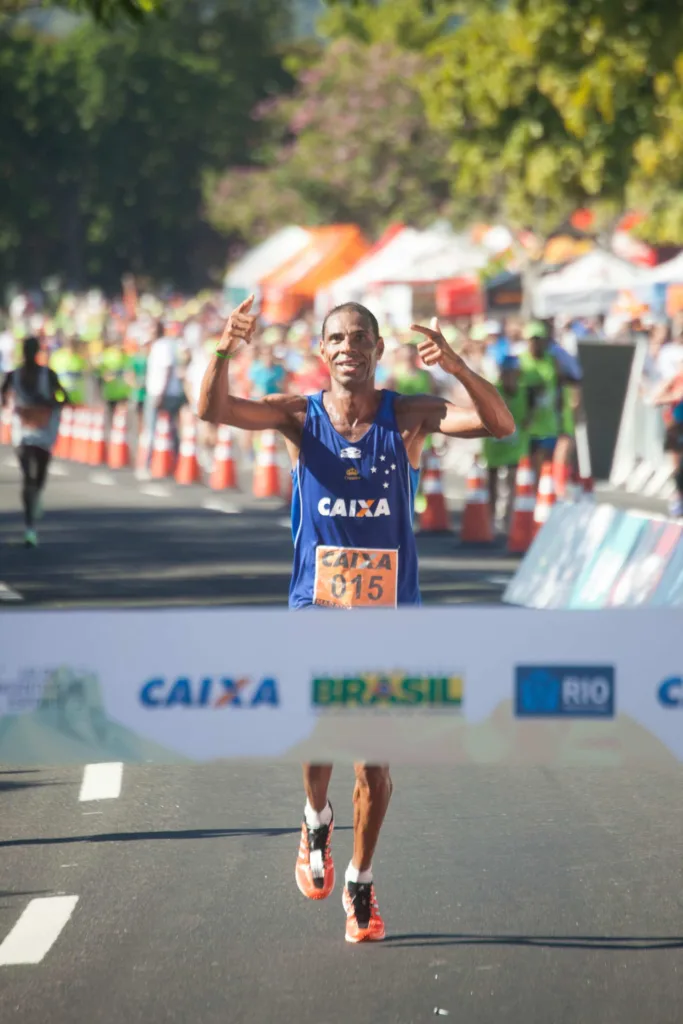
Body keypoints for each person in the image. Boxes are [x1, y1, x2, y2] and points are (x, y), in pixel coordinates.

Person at [198, 297, 513, 943]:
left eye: (359, 338)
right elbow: (214, 410)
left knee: (373, 761)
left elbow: (498, 424)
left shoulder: (408, 416)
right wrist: (224, 348)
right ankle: (315, 817)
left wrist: (454, 363)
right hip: (316, 602)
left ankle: (361, 882)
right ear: (322, 351)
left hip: (390, 611)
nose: (348, 347)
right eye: (336, 338)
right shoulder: (298, 416)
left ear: (376, 349)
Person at [1, 336, 69, 547]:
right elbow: (3, 395)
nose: (30, 354)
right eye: (27, 350)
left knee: (39, 474)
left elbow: (63, 396)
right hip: (22, 430)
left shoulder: (47, 374)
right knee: (27, 476)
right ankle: (30, 527)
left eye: (32, 350)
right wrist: (15, 407)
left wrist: (49, 403)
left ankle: (36, 495)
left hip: (44, 429)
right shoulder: (14, 375)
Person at [482, 355, 531, 527]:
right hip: (494, 446)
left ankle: (508, 517)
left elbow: (529, 417)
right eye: (506, 373)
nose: (510, 377)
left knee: (512, 479)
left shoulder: (525, 392)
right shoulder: (493, 391)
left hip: (514, 446)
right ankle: (490, 516)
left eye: (513, 373)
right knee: (493, 482)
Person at [142, 320, 186, 473]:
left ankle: (149, 463)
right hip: (163, 392)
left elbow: (167, 370)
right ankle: (176, 462)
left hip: (161, 393)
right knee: (170, 429)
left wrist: (161, 393)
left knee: (153, 429)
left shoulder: (162, 346)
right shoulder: (160, 345)